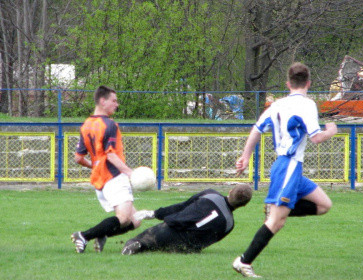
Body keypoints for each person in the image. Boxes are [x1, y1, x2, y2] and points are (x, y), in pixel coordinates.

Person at [232, 62, 337, 278]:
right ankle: (244, 261)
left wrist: (245, 156)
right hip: (288, 165)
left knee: (324, 204)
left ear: (288, 84)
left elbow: (256, 130)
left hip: (289, 167)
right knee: (277, 222)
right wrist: (331, 131)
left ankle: (276, 209)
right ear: (309, 83)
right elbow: (316, 137)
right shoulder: (307, 105)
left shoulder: (276, 105)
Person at [71, 85, 141, 253]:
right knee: (124, 218)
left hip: (100, 181)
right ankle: (84, 236)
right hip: (114, 177)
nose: (117, 105)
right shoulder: (109, 124)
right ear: (103, 101)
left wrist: (95, 165)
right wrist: (130, 173)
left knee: (135, 220)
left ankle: (101, 234)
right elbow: (110, 155)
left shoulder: (86, 125)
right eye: (114, 101)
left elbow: (78, 158)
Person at [121, 185, 253, 255]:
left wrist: (155, 213)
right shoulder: (229, 225)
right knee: (162, 247)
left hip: (171, 229)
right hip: (188, 247)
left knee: (142, 241)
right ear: (244, 205)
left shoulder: (210, 194)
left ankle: (138, 244)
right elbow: (209, 241)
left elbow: (181, 206)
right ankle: (167, 248)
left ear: (230, 191)